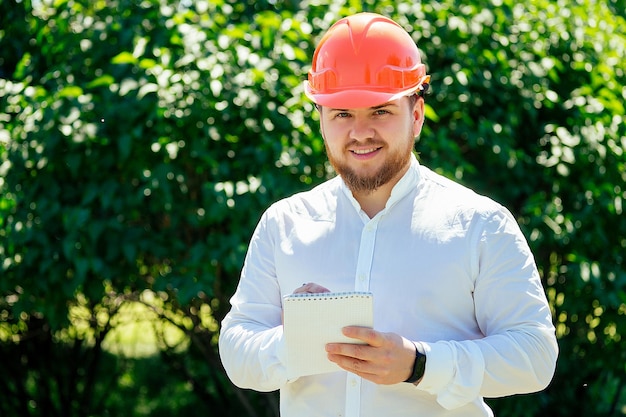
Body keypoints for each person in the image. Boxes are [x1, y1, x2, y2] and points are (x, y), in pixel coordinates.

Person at [218, 12, 558, 417]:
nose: (360, 132)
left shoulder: (480, 225)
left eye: (380, 111)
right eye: (342, 114)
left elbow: (535, 357)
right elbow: (237, 349)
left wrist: (420, 364)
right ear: (322, 122)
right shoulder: (284, 224)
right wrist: (302, 341)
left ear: (416, 116)